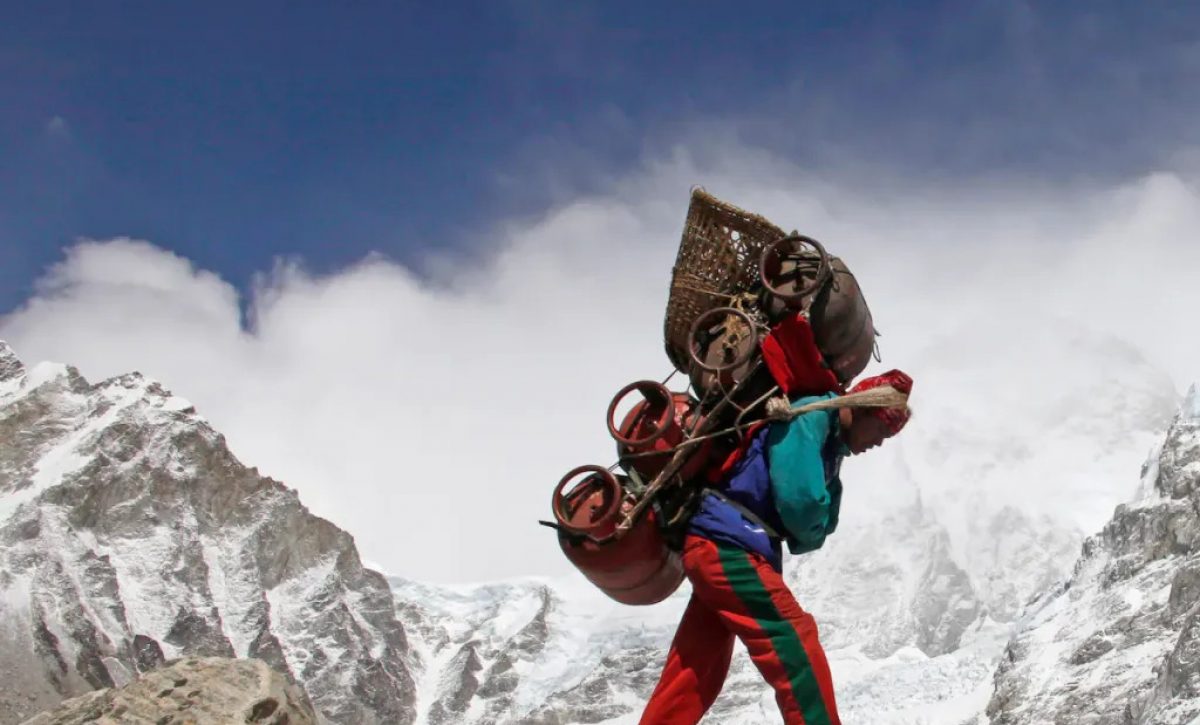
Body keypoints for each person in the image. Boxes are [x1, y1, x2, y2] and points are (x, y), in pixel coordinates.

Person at [638, 370, 914, 725]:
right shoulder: (812, 417)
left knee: (695, 670)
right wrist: (813, 527)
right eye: (883, 430)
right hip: (730, 546)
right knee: (796, 645)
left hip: (719, 543)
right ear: (862, 409)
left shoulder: (826, 439)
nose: (880, 442)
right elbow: (802, 502)